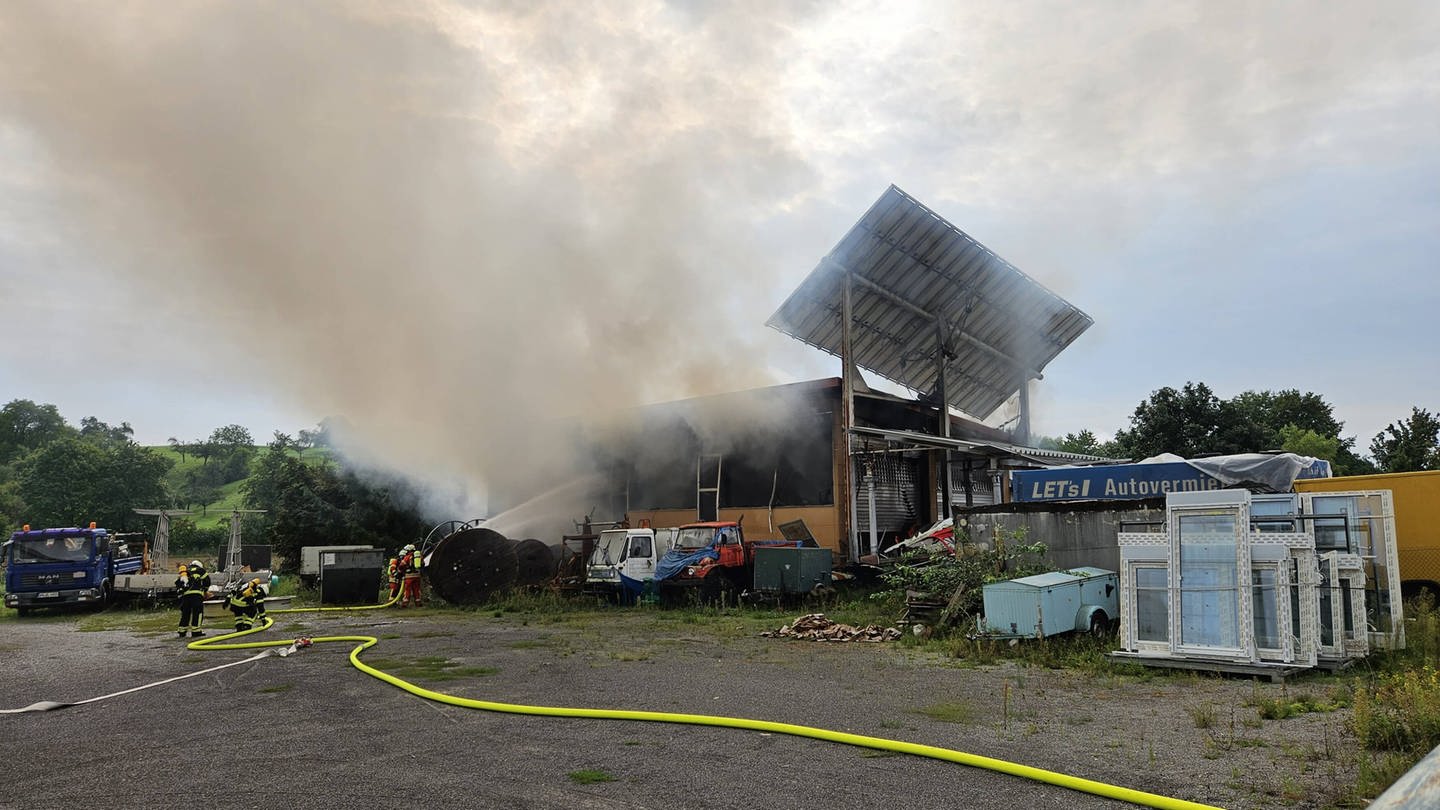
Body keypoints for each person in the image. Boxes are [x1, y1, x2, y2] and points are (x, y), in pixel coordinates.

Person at [175, 560, 210, 638]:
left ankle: (182, 631)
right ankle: (196, 631)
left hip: (185, 596)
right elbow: (207, 581)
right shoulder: (201, 570)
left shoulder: (186, 571)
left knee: (185, 613)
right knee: (197, 613)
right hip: (196, 595)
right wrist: (205, 590)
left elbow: (178, 582)